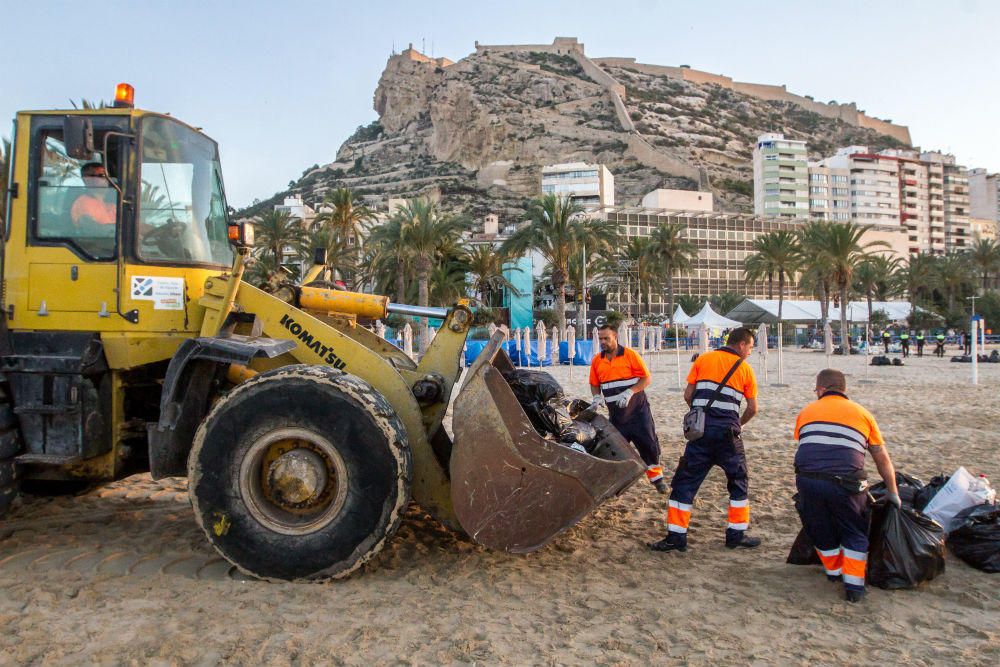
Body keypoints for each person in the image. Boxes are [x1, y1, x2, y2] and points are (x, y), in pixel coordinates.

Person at [648, 326, 760, 553]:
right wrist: (737, 423)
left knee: (685, 483)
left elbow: (688, 395)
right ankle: (735, 535)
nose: (750, 351)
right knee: (738, 482)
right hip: (729, 436)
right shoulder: (745, 369)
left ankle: (676, 538)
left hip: (700, 435)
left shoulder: (704, 359)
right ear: (741, 344)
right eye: (750, 347)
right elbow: (752, 408)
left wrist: (700, 414)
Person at [793, 369, 900, 603]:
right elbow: (881, 456)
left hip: (807, 481)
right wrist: (893, 492)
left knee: (820, 526)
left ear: (821, 389)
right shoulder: (863, 414)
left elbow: (806, 446)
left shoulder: (806, 412)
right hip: (847, 483)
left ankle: (833, 573)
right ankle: (854, 587)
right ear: (844, 389)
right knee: (854, 530)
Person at [589, 324, 665, 493]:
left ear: (615, 337)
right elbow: (594, 384)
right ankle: (615, 485)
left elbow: (646, 379)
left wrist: (630, 392)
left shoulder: (630, 355)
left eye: (606, 338)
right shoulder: (597, 360)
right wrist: (596, 397)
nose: (603, 342)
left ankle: (657, 479)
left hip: (638, 412)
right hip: (616, 416)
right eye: (600, 338)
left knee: (649, 445)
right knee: (615, 449)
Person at [71, 162, 116, 227]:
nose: (108, 180)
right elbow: (94, 230)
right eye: (102, 176)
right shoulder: (83, 204)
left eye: (108, 177)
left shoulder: (111, 206)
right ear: (87, 180)